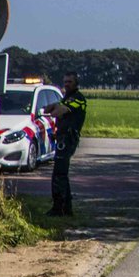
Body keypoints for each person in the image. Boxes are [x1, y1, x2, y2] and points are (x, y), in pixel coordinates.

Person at [44, 73, 87, 216]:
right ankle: (66, 208)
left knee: (59, 174)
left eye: (69, 82)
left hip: (68, 139)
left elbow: (57, 112)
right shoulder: (66, 98)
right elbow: (48, 108)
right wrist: (55, 106)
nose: (66, 84)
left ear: (76, 83)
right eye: (65, 81)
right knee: (62, 174)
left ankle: (58, 209)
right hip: (62, 138)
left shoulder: (78, 98)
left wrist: (56, 108)